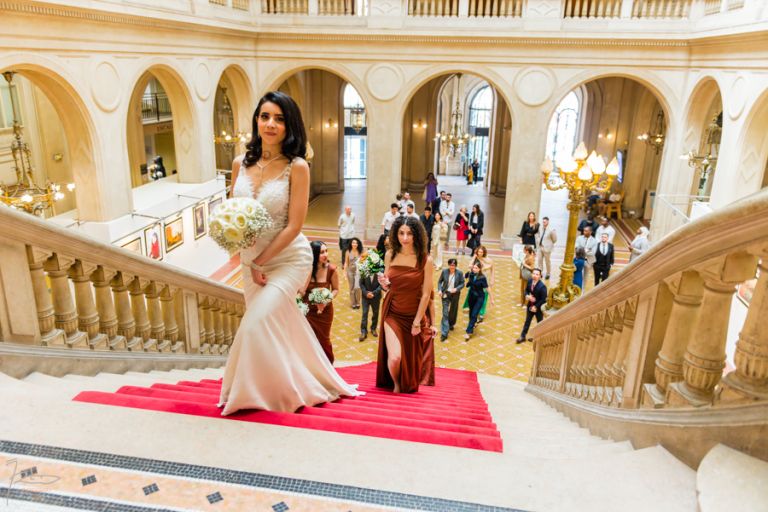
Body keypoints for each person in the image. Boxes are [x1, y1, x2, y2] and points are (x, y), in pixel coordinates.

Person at [218, 91, 361, 415]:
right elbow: (233, 211)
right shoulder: (240, 163)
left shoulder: (297, 167)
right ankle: (277, 385)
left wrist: (260, 261)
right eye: (265, 116)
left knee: (255, 325)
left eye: (279, 119)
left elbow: (295, 225)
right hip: (250, 260)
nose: (270, 123)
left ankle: (249, 392)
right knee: (274, 328)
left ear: (289, 126)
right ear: (256, 120)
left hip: (287, 259)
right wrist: (233, 239)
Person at [376, 216, 437, 393]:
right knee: (394, 357)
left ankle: (405, 383)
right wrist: (384, 284)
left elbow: (426, 294)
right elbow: (387, 286)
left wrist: (418, 321)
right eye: (401, 233)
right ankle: (395, 384)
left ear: (416, 235)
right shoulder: (390, 255)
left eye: (409, 233)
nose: (404, 238)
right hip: (392, 311)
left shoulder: (425, 260)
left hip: (413, 314)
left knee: (409, 357)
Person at [303, 241, 339, 363]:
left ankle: (329, 365)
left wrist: (326, 298)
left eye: (326, 251)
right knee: (308, 339)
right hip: (307, 311)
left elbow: (336, 289)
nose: (325, 255)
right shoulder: (307, 269)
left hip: (325, 311)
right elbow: (300, 290)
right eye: (321, 252)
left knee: (324, 339)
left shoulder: (332, 270)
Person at [516, 268, 547, 343]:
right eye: (534, 274)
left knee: (539, 323)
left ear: (540, 276)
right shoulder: (530, 281)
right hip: (530, 305)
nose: (535, 276)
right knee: (527, 321)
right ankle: (523, 336)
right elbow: (526, 290)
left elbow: (543, 299)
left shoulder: (542, 287)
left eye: (537, 274)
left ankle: (538, 337)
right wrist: (527, 296)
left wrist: (536, 306)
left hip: (538, 308)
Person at [437, 258, 464, 341]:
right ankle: (444, 333)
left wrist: (456, 289)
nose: (452, 267)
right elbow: (439, 281)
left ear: (456, 266)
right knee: (445, 312)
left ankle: (451, 324)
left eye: (454, 265)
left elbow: (462, 283)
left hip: (455, 294)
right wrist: (440, 290)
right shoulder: (444, 271)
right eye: (451, 265)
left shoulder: (459, 273)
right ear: (448, 265)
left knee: (453, 311)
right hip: (446, 293)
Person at [359, 252, 382, 342]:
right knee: (364, 314)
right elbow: (361, 283)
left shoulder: (380, 272)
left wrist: (374, 293)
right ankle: (363, 331)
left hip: (375, 297)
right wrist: (365, 293)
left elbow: (381, 285)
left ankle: (373, 328)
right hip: (365, 296)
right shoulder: (364, 270)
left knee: (375, 313)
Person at [464, 261, 488, 341]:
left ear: (480, 269)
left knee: (474, 314)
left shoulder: (482, 278)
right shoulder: (471, 274)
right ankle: (473, 323)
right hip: (471, 296)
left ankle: (468, 331)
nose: (474, 269)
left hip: (480, 297)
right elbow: (465, 276)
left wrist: (492, 299)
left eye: (476, 268)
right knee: (471, 312)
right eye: (473, 267)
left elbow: (487, 288)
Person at [344, 237, 363, 309]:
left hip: (358, 272)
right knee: (352, 287)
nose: (354, 244)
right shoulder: (348, 252)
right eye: (353, 243)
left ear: (358, 244)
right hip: (350, 272)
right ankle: (353, 303)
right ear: (351, 244)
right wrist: (344, 272)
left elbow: (363, 262)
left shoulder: (360, 251)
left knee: (358, 287)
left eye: (356, 243)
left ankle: (358, 302)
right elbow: (346, 262)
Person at [536, 216, 557, 280]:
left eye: (545, 222)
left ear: (548, 222)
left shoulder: (551, 230)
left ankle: (548, 273)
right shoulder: (540, 228)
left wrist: (549, 244)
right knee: (539, 260)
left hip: (547, 248)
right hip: (540, 247)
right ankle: (540, 272)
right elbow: (538, 234)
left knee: (547, 261)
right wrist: (538, 239)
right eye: (543, 222)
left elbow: (555, 239)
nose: (543, 223)